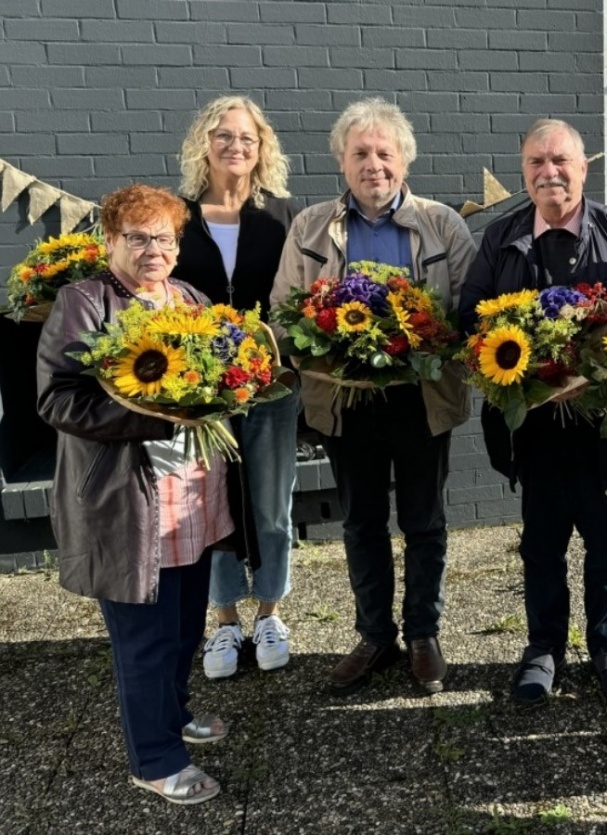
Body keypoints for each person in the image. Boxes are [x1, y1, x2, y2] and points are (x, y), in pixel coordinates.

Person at [36, 184, 238, 804]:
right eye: (138, 237)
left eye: (165, 238)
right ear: (110, 242)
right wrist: (156, 417)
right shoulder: (85, 301)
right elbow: (57, 397)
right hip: (130, 502)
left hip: (194, 500)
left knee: (181, 627)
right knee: (142, 636)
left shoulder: (190, 299)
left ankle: (172, 717)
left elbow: (223, 373)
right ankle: (154, 759)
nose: (154, 250)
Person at [270, 97, 476, 697]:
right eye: (360, 153)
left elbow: (466, 312)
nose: (374, 164)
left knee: (424, 521)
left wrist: (431, 340)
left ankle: (423, 634)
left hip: (421, 397)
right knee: (361, 521)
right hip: (344, 401)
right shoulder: (310, 228)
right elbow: (285, 316)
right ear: (342, 161)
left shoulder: (442, 225)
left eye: (384, 153)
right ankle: (373, 634)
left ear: (404, 159)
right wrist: (327, 350)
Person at [459, 119, 607, 709]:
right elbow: (472, 326)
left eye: (561, 161)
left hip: (606, 429)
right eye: (537, 163)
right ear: (524, 173)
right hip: (534, 430)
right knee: (541, 545)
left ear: (583, 167)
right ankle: (543, 648)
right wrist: (530, 375)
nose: (550, 173)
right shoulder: (500, 239)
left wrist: (596, 374)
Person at [173, 95, 303, 680]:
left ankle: (270, 611)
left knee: (271, 503)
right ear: (206, 143)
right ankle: (224, 621)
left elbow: (299, 296)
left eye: (246, 137)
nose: (235, 146)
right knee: (210, 506)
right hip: (202, 392)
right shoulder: (177, 217)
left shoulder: (281, 215)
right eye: (224, 135)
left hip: (271, 386)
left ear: (261, 147)